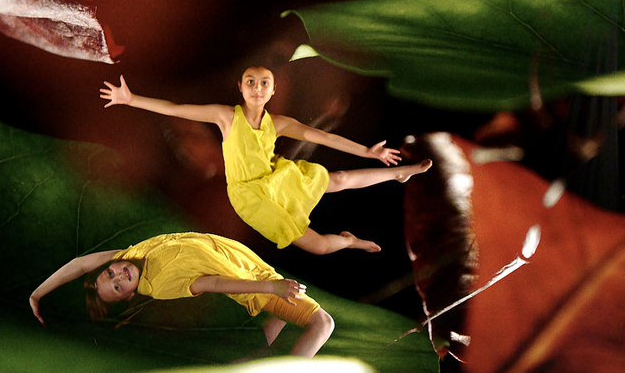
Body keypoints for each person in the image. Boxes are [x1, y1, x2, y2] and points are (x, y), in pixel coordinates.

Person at [99, 67, 432, 255]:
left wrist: (367, 151)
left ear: (271, 91)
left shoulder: (279, 122)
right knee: (317, 246)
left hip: (275, 177)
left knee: (340, 178)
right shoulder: (226, 116)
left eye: (264, 84)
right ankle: (349, 241)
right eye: (251, 82)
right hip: (249, 196)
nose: (257, 88)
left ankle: (400, 174)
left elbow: (321, 136)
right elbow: (176, 109)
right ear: (241, 88)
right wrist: (130, 99)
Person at [29, 232, 334, 358]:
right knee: (322, 324)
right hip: (256, 283)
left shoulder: (129, 255)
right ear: (129, 297)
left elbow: (80, 264)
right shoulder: (160, 285)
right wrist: (271, 288)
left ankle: (250, 361)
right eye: (118, 287)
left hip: (248, 263)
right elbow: (213, 284)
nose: (119, 276)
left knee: (278, 320)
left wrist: (37, 295)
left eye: (110, 273)